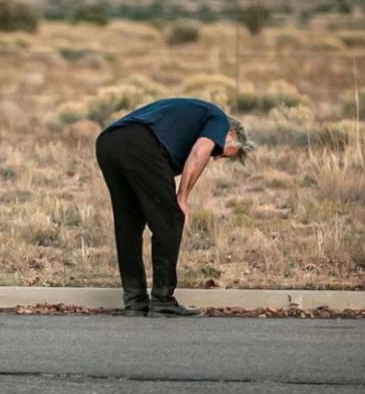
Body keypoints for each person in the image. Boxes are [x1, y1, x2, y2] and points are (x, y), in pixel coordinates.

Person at [95, 98, 252, 317]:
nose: (215, 157)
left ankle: (135, 302)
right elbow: (199, 153)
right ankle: (162, 301)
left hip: (108, 142)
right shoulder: (219, 120)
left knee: (128, 225)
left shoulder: (192, 119)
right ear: (230, 135)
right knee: (171, 219)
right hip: (138, 143)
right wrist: (182, 198)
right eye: (221, 152)